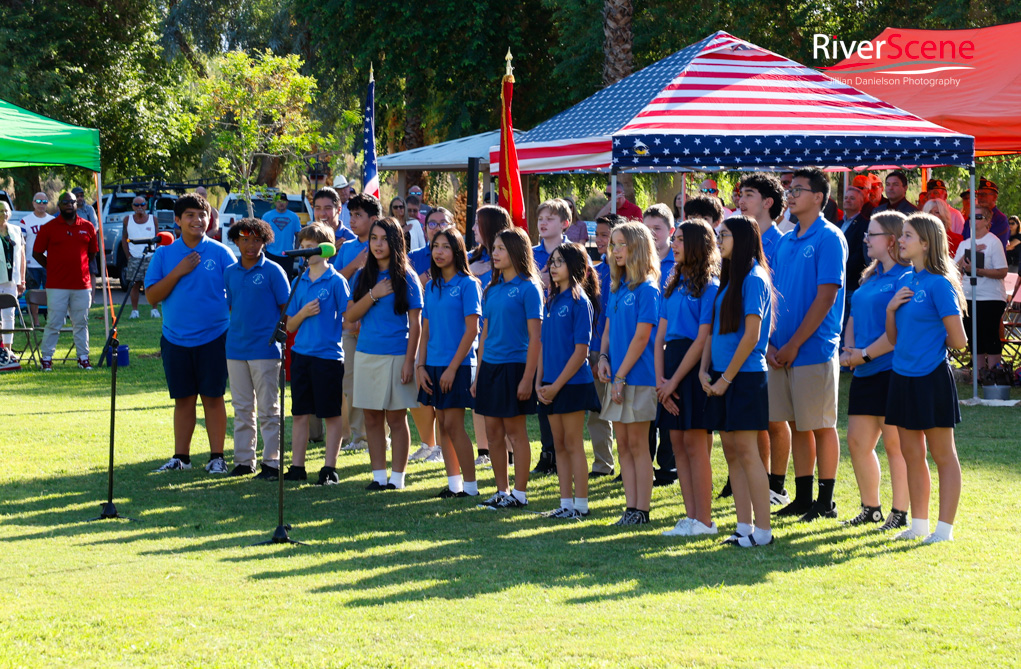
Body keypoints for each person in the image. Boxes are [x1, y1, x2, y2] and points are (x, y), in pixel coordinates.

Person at [769, 168, 849, 522]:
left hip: (812, 349)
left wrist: (795, 343)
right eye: (789, 189)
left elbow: (827, 296)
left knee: (820, 425)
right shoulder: (786, 241)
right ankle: (802, 498)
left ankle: (826, 501)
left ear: (819, 197)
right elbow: (773, 295)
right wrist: (772, 343)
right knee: (798, 424)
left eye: (798, 189)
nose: (790, 195)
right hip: (780, 350)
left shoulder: (829, 238)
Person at [885, 212, 968, 543]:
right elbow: (893, 339)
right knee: (911, 454)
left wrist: (932, 344)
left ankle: (943, 530)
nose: (900, 241)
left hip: (931, 377)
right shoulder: (906, 280)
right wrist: (891, 308)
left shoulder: (939, 284)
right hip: (901, 376)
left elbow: (959, 340)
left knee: (942, 454)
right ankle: (918, 525)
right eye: (901, 235)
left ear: (925, 242)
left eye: (906, 235)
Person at [146, 193, 236, 472]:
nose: (198, 220)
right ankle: (181, 458)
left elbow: (236, 294)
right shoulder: (164, 254)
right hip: (175, 338)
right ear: (177, 220)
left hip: (215, 337)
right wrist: (178, 272)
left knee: (213, 397)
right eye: (190, 215)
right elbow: (151, 296)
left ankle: (217, 457)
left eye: (202, 215)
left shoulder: (221, 253)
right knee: (183, 399)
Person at [700, 216, 774, 547]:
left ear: (742, 239)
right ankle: (743, 527)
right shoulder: (729, 279)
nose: (719, 240)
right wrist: (705, 370)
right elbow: (715, 331)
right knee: (731, 452)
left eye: (724, 235)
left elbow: (752, 336)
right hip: (721, 376)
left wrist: (726, 379)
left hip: (744, 377)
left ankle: (763, 531)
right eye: (718, 234)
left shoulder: (755, 278)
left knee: (747, 452)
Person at [839, 212, 912, 530]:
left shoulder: (907, 277)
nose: (866, 239)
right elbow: (853, 315)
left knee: (896, 445)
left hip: (890, 371)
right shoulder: (871, 276)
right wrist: (849, 349)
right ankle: (871, 508)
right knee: (857, 442)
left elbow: (898, 334)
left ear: (892, 240)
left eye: (873, 234)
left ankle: (900, 512)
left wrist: (863, 356)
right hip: (863, 370)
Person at [347, 217, 424, 491]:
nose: (378, 245)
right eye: (374, 239)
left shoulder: (408, 276)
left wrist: (409, 362)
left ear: (395, 242)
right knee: (371, 418)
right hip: (366, 355)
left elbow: (416, 324)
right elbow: (350, 317)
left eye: (383, 239)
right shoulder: (362, 276)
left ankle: (397, 478)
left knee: (395, 418)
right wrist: (374, 294)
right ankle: (379, 477)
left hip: (396, 356)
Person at [657, 219, 719, 536]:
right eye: (674, 238)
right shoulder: (674, 282)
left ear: (697, 243)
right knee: (678, 443)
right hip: (670, 367)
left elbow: (702, 337)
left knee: (695, 444)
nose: (674, 244)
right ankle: (690, 516)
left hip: (692, 368)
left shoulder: (710, 286)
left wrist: (674, 382)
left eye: (680, 239)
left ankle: (705, 520)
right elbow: (660, 336)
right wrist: (660, 382)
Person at [473, 227, 542, 510]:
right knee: (492, 434)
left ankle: (520, 493)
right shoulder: (491, 290)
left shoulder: (529, 288)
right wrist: (479, 374)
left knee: (515, 432)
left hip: (515, 368)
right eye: (494, 248)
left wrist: (528, 378)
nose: (495, 253)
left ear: (516, 252)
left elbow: (536, 338)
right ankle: (502, 491)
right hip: (490, 368)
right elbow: (485, 335)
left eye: (501, 248)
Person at [596, 221, 661, 525]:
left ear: (638, 247)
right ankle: (630, 507)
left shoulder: (648, 289)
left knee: (638, 445)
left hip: (638, 379)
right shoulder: (617, 287)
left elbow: (642, 337)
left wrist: (621, 375)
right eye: (613, 244)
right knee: (623, 445)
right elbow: (608, 328)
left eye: (622, 244)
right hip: (617, 377)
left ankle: (642, 510)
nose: (616, 250)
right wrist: (604, 358)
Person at [736, 173, 792, 505]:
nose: (741, 201)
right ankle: (752, 477)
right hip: (748, 344)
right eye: (740, 194)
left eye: (749, 195)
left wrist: (773, 341)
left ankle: (777, 484)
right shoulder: (739, 241)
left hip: (771, 345)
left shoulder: (780, 242)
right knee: (754, 419)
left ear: (768, 202)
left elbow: (780, 297)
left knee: (774, 417)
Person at [536, 242, 602, 519]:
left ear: (575, 268)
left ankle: (582, 506)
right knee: (558, 444)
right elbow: (543, 345)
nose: (552, 267)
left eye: (559, 262)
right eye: (551, 262)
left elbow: (581, 352)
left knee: (573, 444)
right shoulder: (550, 300)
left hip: (572, 385)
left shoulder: (579, 302)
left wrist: (556, 386)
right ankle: (565, 504)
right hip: (549, 385)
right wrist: (540, 383)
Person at [417, 228, 482, 498]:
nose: (439, 252)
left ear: (457, 252)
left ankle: (471, 487)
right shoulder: (430, 286)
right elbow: (426, 329)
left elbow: (472, 330)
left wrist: (453, 368)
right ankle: (455, 485)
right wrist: (420, 366)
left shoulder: (468, 285)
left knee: (454, 425)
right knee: (442, 425)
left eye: (445, 246)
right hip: (432, 365)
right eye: (435, 246)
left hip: (458, 365)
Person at [283, 223, 351, 484]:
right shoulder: (298, 281)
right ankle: (297, 467)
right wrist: (303, 313)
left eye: (311, 247)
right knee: (300, 413)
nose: (305, 252)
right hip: (301, 355)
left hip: (328, 358)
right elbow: (290, 325)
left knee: (330, 414)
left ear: (326, 250)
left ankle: (329, 468)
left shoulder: (336, 281)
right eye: (303, 247)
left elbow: (349, 316)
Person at [223, 217, 290, 478]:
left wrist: (275, 335)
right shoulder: (229, 272)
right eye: (245, 239)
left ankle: (271, 463)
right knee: (241, 409)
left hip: (265, 351)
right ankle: (243, 461)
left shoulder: (274, 271)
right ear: (236, 241)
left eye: (257, 240)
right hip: (235, 349)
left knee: (268, 410)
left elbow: (286, 307)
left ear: (265, 241)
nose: (251, 245)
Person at [466, 206, 512, 467]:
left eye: (477, 223)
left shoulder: (508, 262)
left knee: (502, 403)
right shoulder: (472, 259)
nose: (473, 228)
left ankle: (510, 452)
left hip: (502, 339)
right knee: (478, 396)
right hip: (477, 338)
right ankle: (484, 450)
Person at [407, 206, 453, 463]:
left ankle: (441, 446)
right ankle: (428, 443)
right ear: (425, 229)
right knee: (418, 386)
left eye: (442, 222)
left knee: (442, 392)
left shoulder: (460, 256)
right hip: (419, 327)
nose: (437, 228)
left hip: (447, 331)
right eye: (432, 224)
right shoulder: (413, 257)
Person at [33, 191, 99, 371]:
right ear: (59, 205)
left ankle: (83, 358)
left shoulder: (88, 226)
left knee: (81, 323)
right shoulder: (49, 227)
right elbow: (36, 253)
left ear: (76, 205)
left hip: (82, 284)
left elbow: (92, 253)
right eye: (65, 202)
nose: (69, 205)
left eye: (72, 202)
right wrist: (52, 267)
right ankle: (47, 359)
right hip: (57, 285)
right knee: (54, 322)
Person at [334, 193, 379, 453]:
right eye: (350, 215)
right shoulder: (349, 247)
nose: (352, 220)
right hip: (349, 326)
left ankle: (375, 435)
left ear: (374, 219)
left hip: (375, 327)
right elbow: (338, 279)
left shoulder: (383, 244)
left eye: (358, 215)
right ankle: (357, 436)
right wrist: (355, 263)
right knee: (350, 382)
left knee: (374, 381)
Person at [532, 199, 572, 476]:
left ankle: (566, 454)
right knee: (542, 397)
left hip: (566, 340)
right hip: (537, 337)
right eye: (540, 218)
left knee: (566, 403)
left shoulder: (574, 253)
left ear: (565, 224)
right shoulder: (530, 254)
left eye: (550, 218)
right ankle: (548, 453)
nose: (543, 223)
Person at [643, 203, 677, 487]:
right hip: (642, 349)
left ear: (671, 231)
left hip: (667, 347)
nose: (652, 234)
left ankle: (668, 468)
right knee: (644, 412)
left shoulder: (677, 265)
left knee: (667, 408)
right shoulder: (638, 263)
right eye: (648, 228)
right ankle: (642, 463)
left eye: (658, 228)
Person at [954, 204, 1008, 371]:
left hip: (990, 297)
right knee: (973, 336)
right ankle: (977, 375)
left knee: (989, 335)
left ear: (988, 221)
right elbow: (954, 270)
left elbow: (1002, 271)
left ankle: (993, 375)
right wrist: (967, 254)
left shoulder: (994, 242)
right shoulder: (964, 243)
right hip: (968, 296)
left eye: (979, 217)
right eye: (971, 217)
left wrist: (978, 271)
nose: (974, 220)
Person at [588, 214, 620, 477]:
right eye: (597, 234)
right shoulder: (595, 272)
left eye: (605, 235)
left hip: (623, 351)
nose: (600, 240)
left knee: (626, 412)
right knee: (597, 411)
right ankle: (602, 464)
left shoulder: (632, 274)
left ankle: (633, 465)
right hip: (597, 351)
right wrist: (592, 352)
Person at [122, 196, 160, 319]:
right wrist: (128, 255)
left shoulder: (153, 219)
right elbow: (124, 238)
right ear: (132, 206)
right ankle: (134, 311)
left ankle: (154, 309)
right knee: (134, 284)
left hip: (150, 256)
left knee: (151, 284)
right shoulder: (127, 220)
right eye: (137, 205)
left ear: (146, 206)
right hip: (134, 257)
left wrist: (156, 253)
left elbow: (158, 237)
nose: (140, 207)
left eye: (142, 204)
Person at [0, 201, 26, 372]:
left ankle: (7, 349)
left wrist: (22, 280)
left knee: (9, 315)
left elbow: (22, 255)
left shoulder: (16, 230)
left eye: (6, 210)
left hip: (12, 279)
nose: (4, 214)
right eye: (1, 211)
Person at [20, 192, 51, 327]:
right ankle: (35, 321)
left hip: (48, 262)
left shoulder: (52, 220)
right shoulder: (26, 221)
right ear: (33, 203)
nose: (41, 205)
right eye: (38, 202)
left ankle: (51, 319)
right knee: (33, 293)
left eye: (44, 202)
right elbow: (23, 243)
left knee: (51, 292)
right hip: (31, 262)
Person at [839, 187, 872, 312]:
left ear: (861, 203)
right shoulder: (838, 224)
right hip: (839, 284)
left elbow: (860, 254)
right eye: (846, 198)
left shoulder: (865, 224)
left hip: (853, 284)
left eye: (852, 198)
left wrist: (843, 270)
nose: (848, 200)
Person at [963, 177, 1010, 248]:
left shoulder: (1000, 219)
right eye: (978, 195)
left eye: (984, 195)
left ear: (995, 197)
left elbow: (995, 245)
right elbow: (964, 240)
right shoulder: (972, 217)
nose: (980, 198)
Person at [262, 193, 302, 276]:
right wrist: (263, 248)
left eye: (283, 201)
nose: (281, 203)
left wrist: (296, 250)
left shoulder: (294, 217)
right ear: (275, 202)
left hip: (287, 255)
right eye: (279, 201)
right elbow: (262, 234)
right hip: (270, 253)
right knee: (270, 277)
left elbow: (298, 234)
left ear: (287, 202)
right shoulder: (267, 216)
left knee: (286, 278)